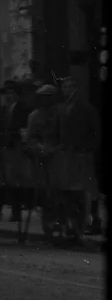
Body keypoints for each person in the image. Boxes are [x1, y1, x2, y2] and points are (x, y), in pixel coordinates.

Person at [53, 76, 100, 245]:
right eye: (64, 87)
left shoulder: (86, 108)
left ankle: (94, 221)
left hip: (81, 154)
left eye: (70, 87)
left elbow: (96, 132)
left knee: (87, 188)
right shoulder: (62, 108)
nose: (67, 90)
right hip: (67, 154)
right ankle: (72, 223)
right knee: (71, 189)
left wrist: (87, 148)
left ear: (76, 89)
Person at [0, 79, 33, 236]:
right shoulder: (3, 110)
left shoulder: (24, 109)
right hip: (5, 149)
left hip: (17, 149)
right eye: (6, 93)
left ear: (17, 94)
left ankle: (16, 212)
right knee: (4, 180)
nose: (8, 96)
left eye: (11, 93)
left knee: (16, 181)